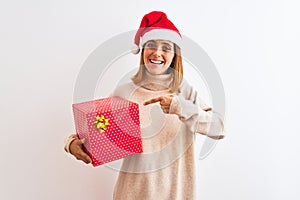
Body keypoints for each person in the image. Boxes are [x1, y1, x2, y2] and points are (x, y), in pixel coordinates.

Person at [64, 11, 225, 200]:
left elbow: (218, 128)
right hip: (132, 194)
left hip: (176, 195)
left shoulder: (184, 91)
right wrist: (72, 144)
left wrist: (178, 107)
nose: (157, 52)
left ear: (174, 55)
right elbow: (96, 129)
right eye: (151, 45)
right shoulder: (125, 92)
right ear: (142, 50)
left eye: (166, 47)